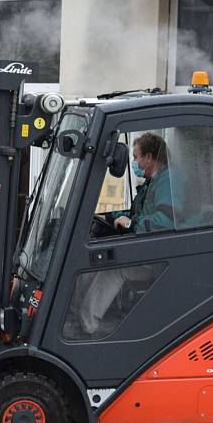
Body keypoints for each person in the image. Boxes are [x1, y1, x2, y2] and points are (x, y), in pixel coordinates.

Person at [73, 132, 174, 336]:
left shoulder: (168, 182)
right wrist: (111, 216)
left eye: (136, 157)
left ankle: (87, 326)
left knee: (114, 268)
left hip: (160, 257)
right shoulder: (152, 183)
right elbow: (136, 213)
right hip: (145, 248)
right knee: (90, 260)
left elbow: (166, 222)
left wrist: (131, 224)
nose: (134, 162)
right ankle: (74, 316)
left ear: (149, 157)